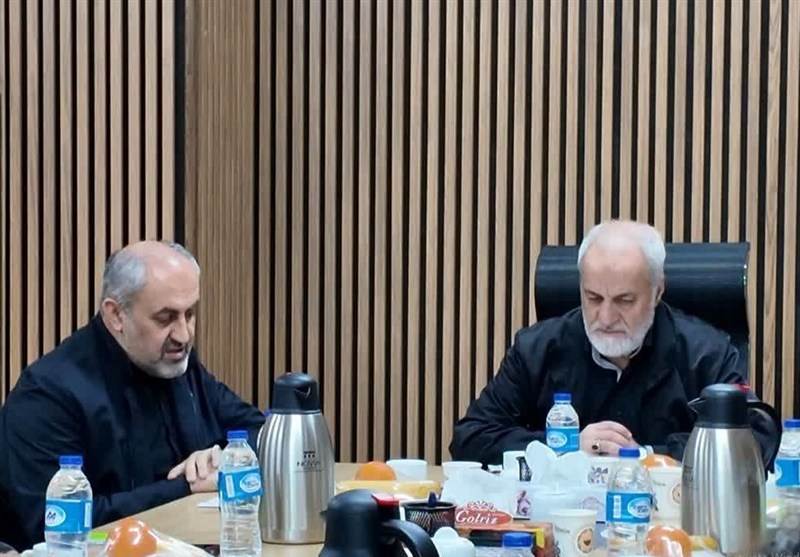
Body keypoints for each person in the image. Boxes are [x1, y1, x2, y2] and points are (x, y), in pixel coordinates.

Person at [0, 241, 266, 551]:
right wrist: (185, 487)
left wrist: (224, 457)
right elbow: (51, 526)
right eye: (165, 318)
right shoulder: (48, 394)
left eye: (190, 314)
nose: (184, 334)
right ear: (115, 315)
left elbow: (261, 433)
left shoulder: (179, 365)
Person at [449, 220, 779, 466]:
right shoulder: (537, 349)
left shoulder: (706, 353)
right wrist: (564, 448)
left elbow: (754, 440)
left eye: (624, 300)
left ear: (658, 291)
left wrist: (646, 456)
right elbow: (470, 437)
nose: (605, 318)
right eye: (593, 298)